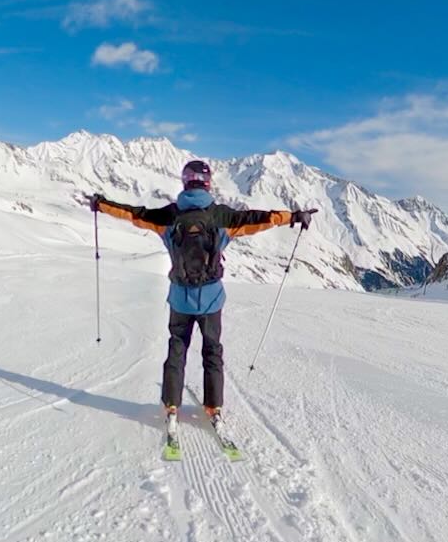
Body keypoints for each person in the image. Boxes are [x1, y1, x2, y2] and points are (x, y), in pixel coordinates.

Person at [89, 159, 314, 441]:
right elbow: (260, 218)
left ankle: (171, 404)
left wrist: (101, 204)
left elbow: (133, 214)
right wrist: (294, 216)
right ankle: (213, 406)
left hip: (179, 300)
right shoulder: (221, 217)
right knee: (212, 352)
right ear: (208, 183)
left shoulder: (169, 216)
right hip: (211, 300)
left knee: (177, 349)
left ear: (185, 182)